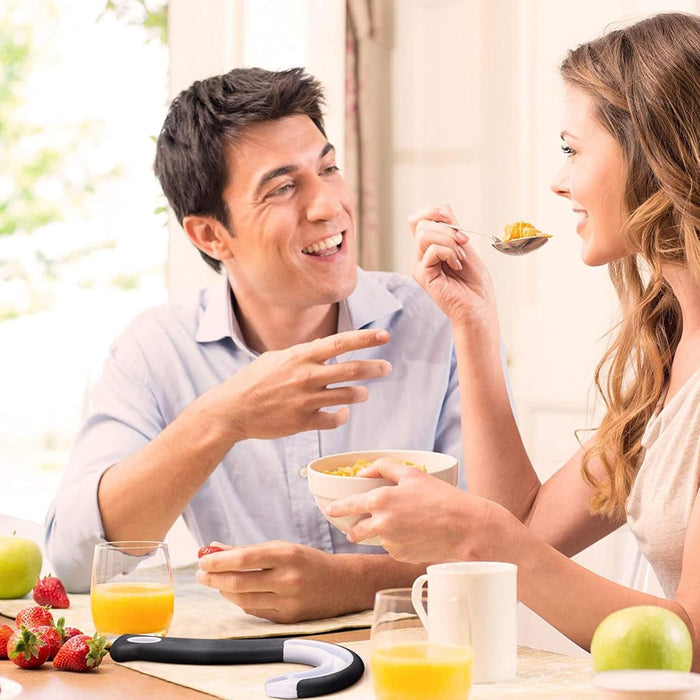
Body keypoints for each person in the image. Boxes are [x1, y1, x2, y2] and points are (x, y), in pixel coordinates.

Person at [328, 11, 700, 665]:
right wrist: (474, 326)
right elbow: (530, 526)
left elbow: (691, 641)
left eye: (572, 148)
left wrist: (486, 537)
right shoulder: (671, 352)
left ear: (652, 152)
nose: (558, 182)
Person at [44, 67, 471, 623]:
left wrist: (349, 584)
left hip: (423, 662)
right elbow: (78, 561)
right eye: (283, 187)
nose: (328, 206)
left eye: (328, 168)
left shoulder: (437, 319)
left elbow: (497, 544)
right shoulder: (156, 350)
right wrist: (224, 417)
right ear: (210, 235)